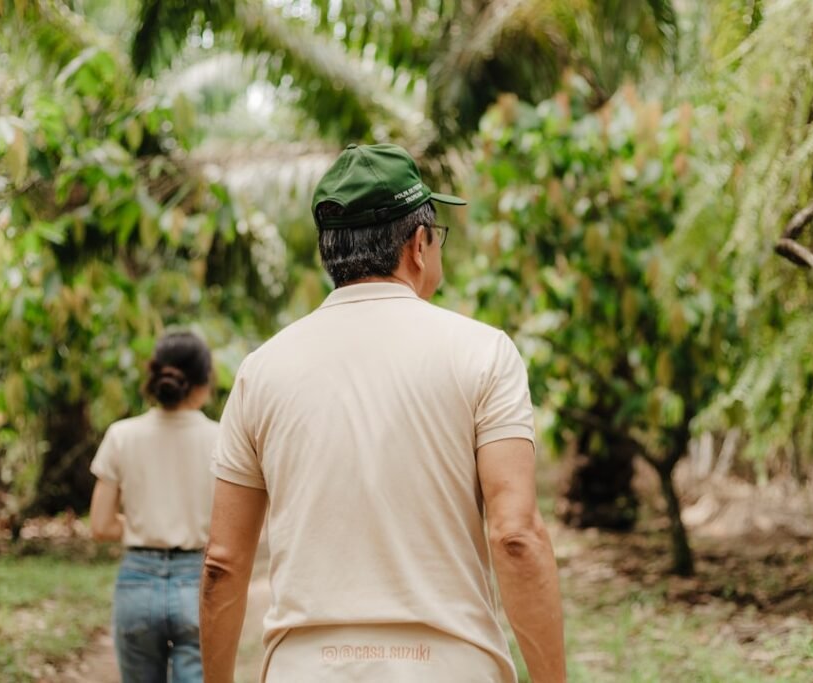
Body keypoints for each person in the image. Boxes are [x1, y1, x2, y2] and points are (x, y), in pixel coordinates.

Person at [200, 143, 565, 682]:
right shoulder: (483, 353)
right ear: (419, 245)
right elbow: (515, 536)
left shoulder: (262, 371)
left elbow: (223, 563)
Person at [89, 331, 220, 683]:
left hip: (137, 583)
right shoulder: (222, 440)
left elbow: (100, 526)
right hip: (197, 583)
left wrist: (139, 526)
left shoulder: (121, 435)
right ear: (204, 381)